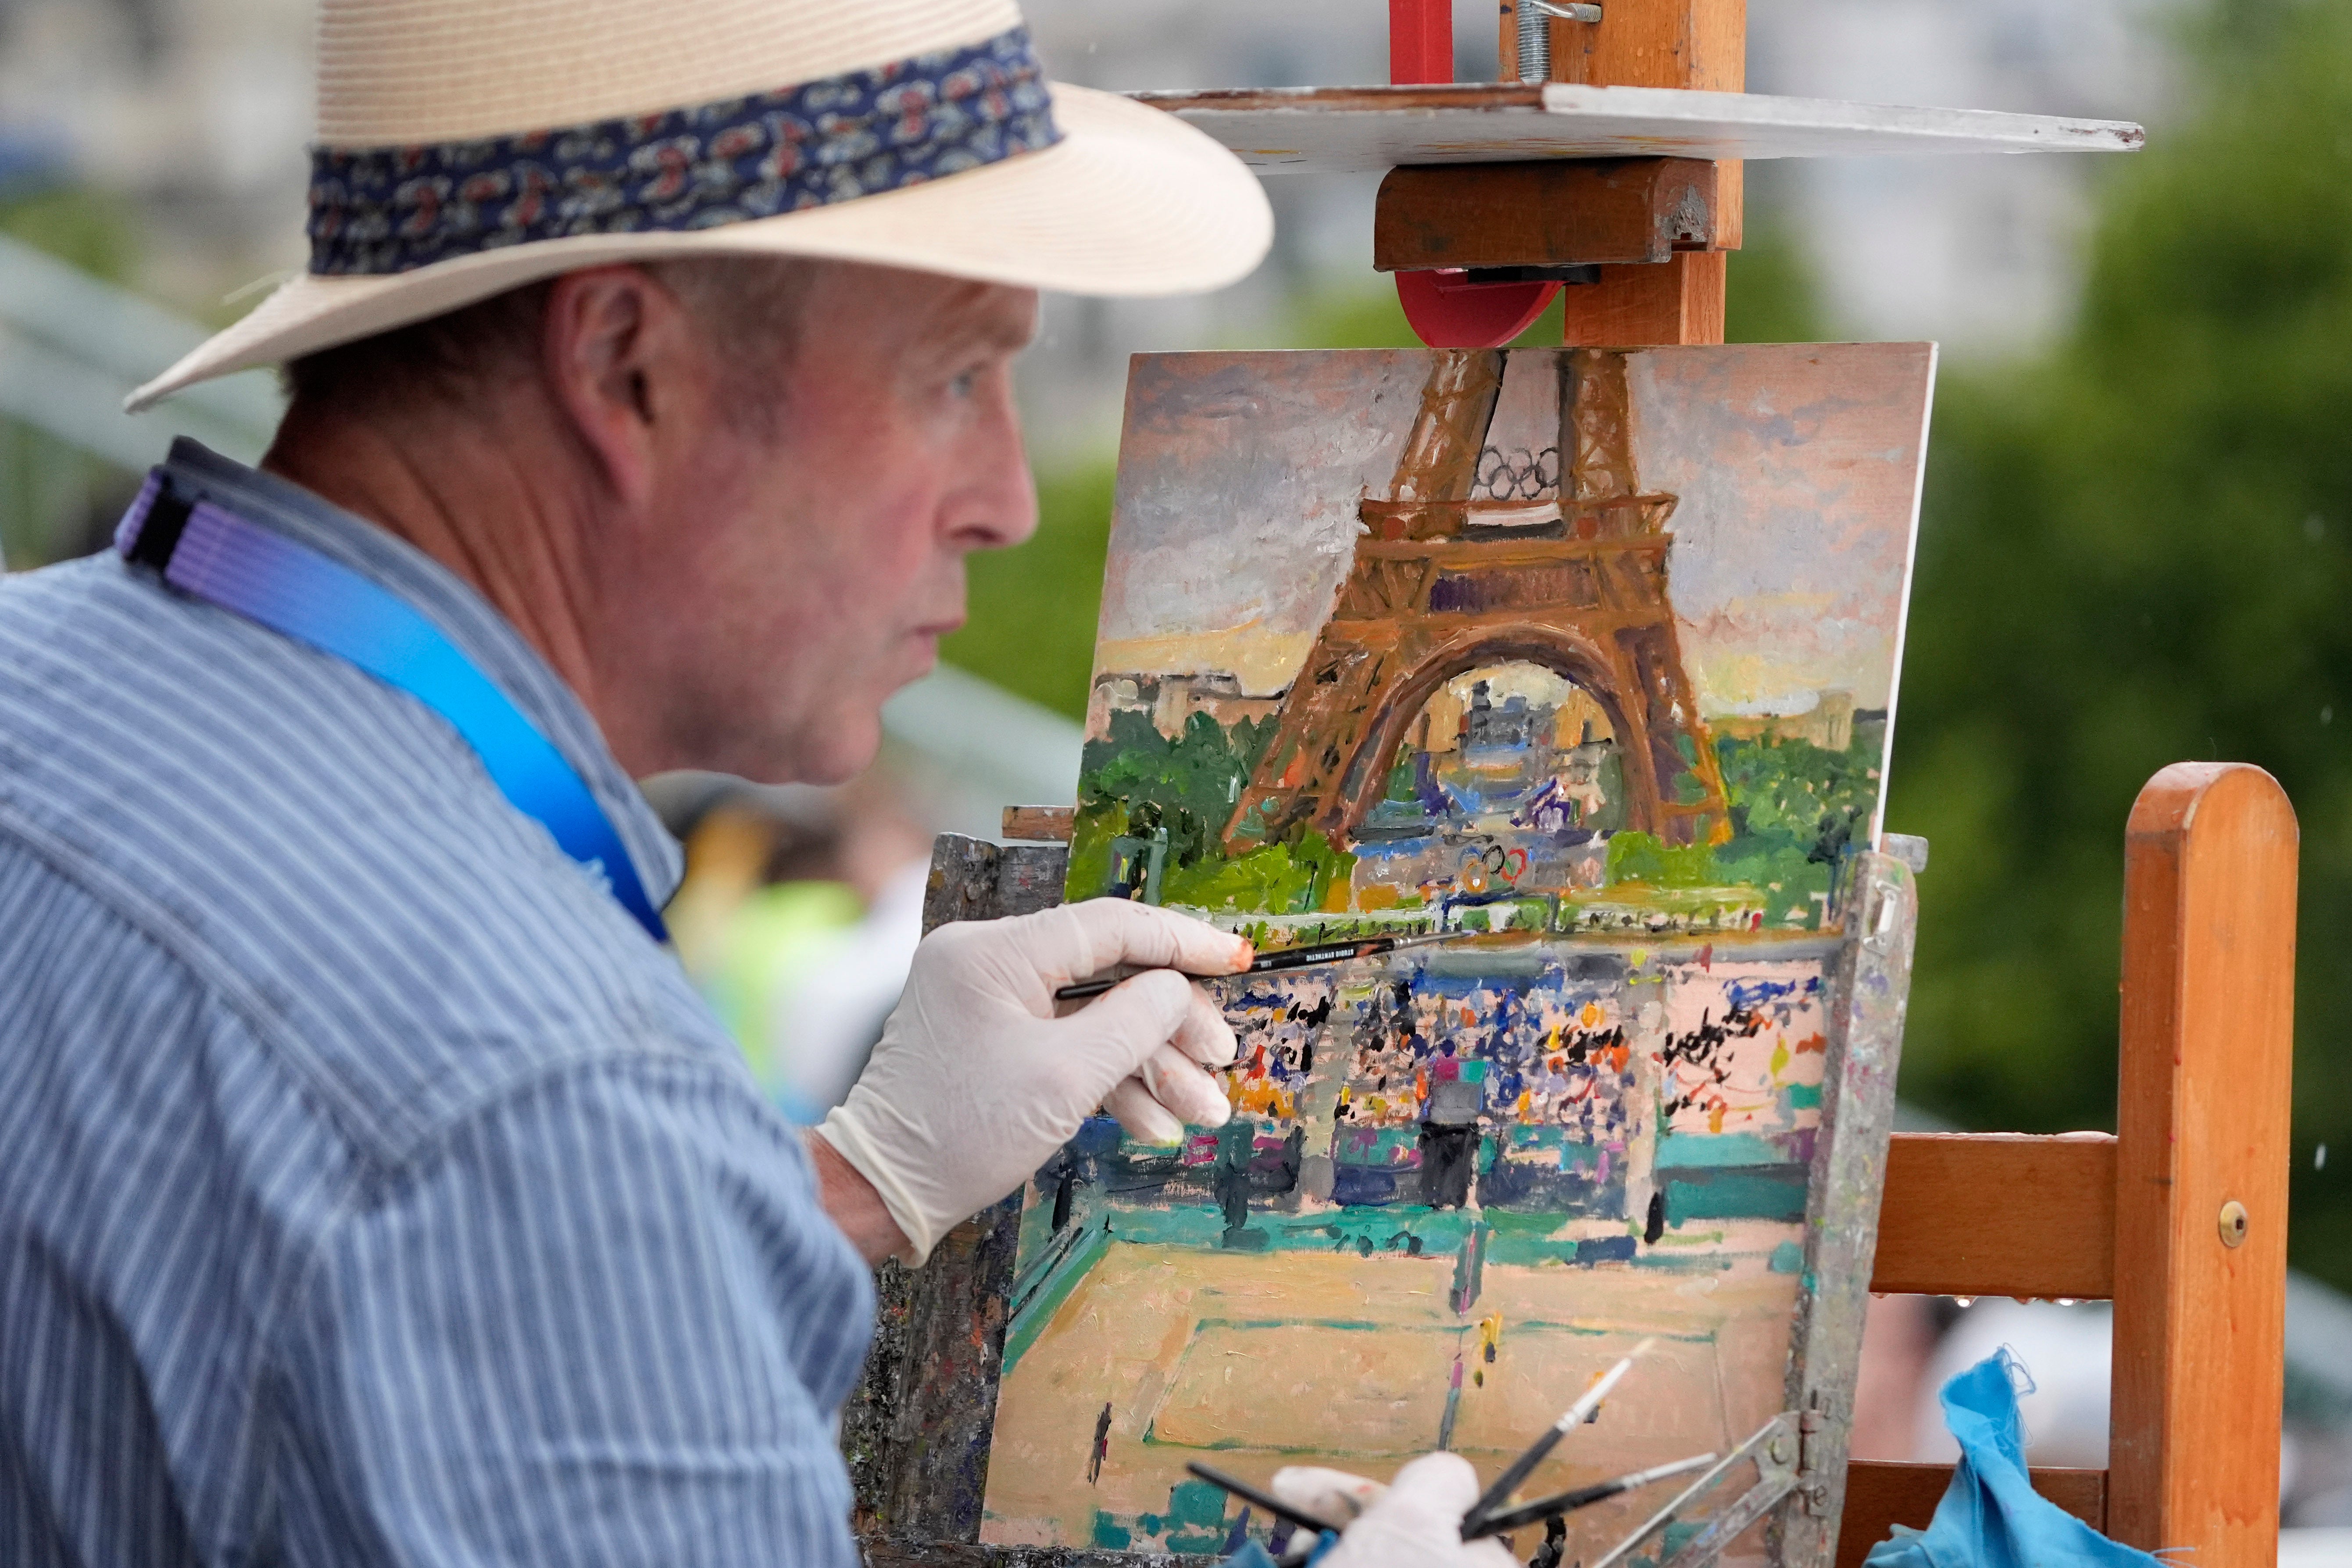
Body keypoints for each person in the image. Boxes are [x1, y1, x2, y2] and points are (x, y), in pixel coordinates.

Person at [0, 1, 1516, 1564]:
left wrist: (846, 1184)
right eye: (950, 379)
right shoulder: (544, 1099)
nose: (1003, 497)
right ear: (626, 364)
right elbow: (475, 1192)